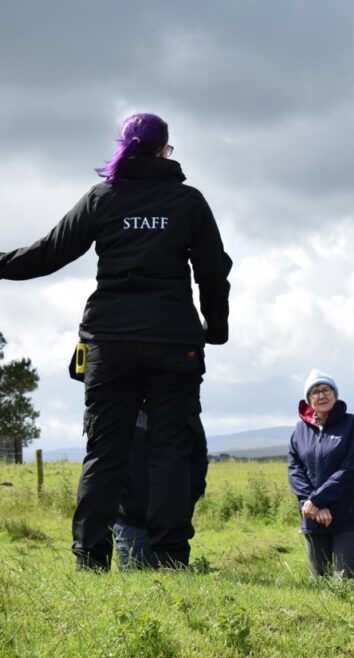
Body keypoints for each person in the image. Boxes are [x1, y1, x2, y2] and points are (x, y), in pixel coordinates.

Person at [0, 113, 232, 570]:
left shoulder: (102, 198)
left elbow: (48, 253)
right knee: (171, 449)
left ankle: (90, 558)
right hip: (174, 344)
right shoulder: (187, 201)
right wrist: (216, 328)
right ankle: (170, 558)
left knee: (105, 450)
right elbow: (213, 269)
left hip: (110, 341)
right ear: (165, 149)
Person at [287, 369, 354, 579]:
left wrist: (317, 499)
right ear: (308, 399)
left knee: (343, 578)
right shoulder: (299, 430)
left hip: (347, 511)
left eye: (326, 390)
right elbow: (295, 470)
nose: (321, 395)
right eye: (315, 392)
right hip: (312, 514)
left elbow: (350, 469)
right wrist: (313, 504)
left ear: (335, 394)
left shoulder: (352, 424)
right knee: (318, 579)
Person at [113, 406, 209, 570]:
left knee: (172, 587)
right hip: (132, 522)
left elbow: (198, 461)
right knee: (134, 589)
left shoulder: (178, 412)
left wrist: (185, 501)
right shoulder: (123, 411)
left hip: (170, 522)